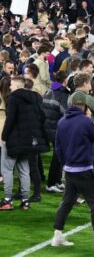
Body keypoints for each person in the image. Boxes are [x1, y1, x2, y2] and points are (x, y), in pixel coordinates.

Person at [51, 95, 94, 248]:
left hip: (69, 169)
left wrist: (65, 163)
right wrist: (89, 120)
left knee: (67, 202)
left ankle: (57, 235)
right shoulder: (85, 121)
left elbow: (58, 147)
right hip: (84, 169)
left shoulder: (61, 122)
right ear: (85, 106)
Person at [2, 76, 45, 210]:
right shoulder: (36, 98)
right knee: (24, 170)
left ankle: (7, 200)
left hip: (15, 139)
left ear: (17, 85)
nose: (10, 87)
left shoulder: (13, 98)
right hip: (29, 140)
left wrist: (4, 136)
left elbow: (10, 119)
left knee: (7, 170)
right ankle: (25, 201)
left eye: (12, 85)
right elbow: (42, 117)